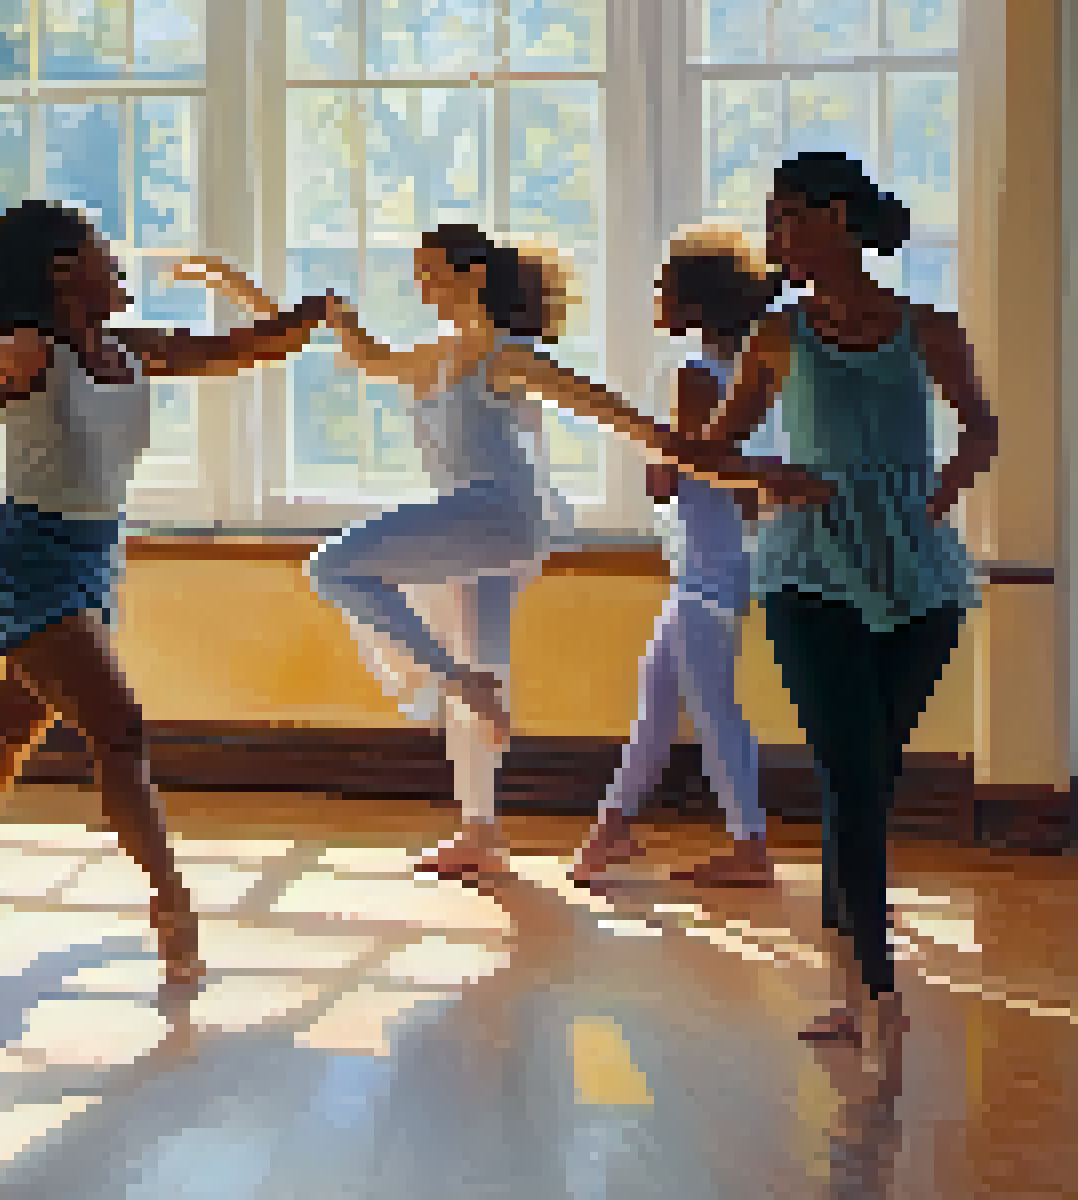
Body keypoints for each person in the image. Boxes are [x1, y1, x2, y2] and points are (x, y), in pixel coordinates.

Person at [297, 225, 825, 881]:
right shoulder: (436, 355)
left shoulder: (510, 356)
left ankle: (744, 846)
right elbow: (368, 357)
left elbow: (605, 410)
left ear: (474, 277)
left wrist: (705, 458)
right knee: (580, 685)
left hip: (505, 520)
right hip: (514, 533)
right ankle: (502, 829)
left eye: (431, 271)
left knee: (336, 567)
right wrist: (319, 312)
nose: (420, 285)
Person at [0, 200, 334, 988]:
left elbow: (245, 348)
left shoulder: (129, 351)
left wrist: (303, 315)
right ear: (66, 273)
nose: (118, 263)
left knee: (16, 722)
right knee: (119, 728)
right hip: (30, 557)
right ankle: (171, 902)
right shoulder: (34, 353)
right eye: (105, 250)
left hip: (96, 553)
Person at [697, 151, 994, 1060]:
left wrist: (942, 491)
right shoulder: (777, 337)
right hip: (806, 571)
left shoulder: (930, 329)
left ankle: (847, 977)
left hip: (921, 578)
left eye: (788, 218)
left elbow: (981, 427)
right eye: (773, 221)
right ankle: (873, 981)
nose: (776, 238)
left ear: (840, 219)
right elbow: (711, 454)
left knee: (868, 774)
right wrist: (772, 475)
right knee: (850, 771)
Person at [573, 226, 785, 888]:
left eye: (664, 287)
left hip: (707, 573)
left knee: (714, 708)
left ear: (695, 304)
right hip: (720, 565)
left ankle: (750, 844)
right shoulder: (756, 373)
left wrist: (652, 447)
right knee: (660, 702)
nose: (656, 298)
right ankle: (609, 832)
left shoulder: (696, 375)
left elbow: (670, 480)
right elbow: (744, 485)